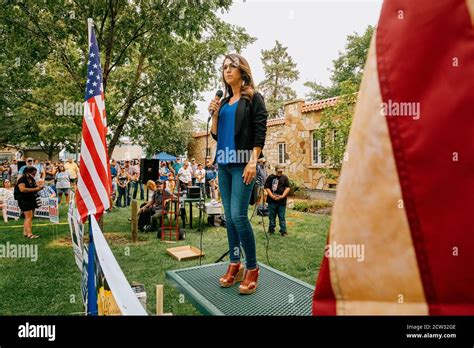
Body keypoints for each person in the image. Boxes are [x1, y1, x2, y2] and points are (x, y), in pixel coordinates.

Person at [209, 53, 268, 295]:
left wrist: (253, 162)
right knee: (229, 218)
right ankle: (234, 263)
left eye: (232, 66)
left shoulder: (253, 98)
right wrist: (213, 113)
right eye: (224, 67)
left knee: (239, 216)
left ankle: (252, 268)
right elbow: (214, 134)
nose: (227, 70)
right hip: (223, 164)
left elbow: (259, 132)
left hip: (243, 163)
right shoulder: (223, 102)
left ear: (242, 70)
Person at [14, 166, 44, 239]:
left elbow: (34, 187)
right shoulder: (22, 179)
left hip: (30, 199)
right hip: (23, 199)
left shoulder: (31, 179)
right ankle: (30, 235)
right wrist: (35, 189)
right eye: (33, 173)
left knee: (29, 217)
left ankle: (25, 233)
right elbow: (22, 189)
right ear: (28, 172)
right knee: (28, 217)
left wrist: (39, 188)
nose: (34, 174)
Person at [264, 165, 290, 236]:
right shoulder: (270, 177)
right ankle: (271, 230)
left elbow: (287, 188)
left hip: (282, 201)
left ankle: (283, 231)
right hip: (272, 201)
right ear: (276, 170)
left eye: (281, 171)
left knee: (282, 217)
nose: (280, 173)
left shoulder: (285, 178)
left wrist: (282, 196)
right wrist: (272, 196)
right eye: (279, 171)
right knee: (272, 216)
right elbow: (267, 187)